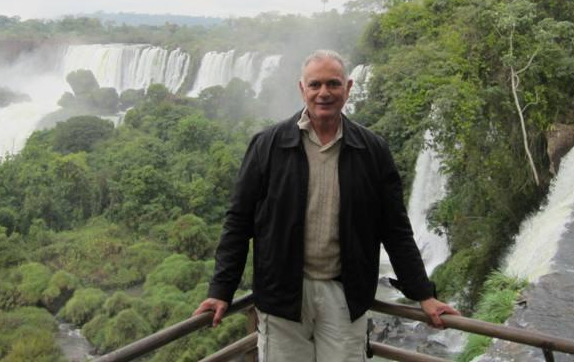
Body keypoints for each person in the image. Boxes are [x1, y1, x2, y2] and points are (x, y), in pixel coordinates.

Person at [193, 50, 459, 361]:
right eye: (315, 84)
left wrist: (423, 295)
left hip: (344, 295)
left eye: (332, 84)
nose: (324, 93)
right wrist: (220, 291)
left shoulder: (372, 151)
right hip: (282, 295)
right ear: (301, 89)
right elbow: (239, 222)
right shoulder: (267, 145)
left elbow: (395, 229)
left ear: (348, 88)